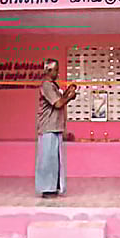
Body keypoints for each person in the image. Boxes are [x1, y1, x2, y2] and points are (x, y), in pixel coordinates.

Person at [35, 59, 77, 198]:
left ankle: (53, 187)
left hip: (55, 127)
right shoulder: (46, 86)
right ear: (48, 71)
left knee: (55, 161)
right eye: (55, 70)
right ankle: (47, 189)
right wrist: (69, 98)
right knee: (47, 160)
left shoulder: (53, 85)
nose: (57, 73)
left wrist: (68, 92)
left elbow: (60, 99)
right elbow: (58, 103)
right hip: (48, 127)